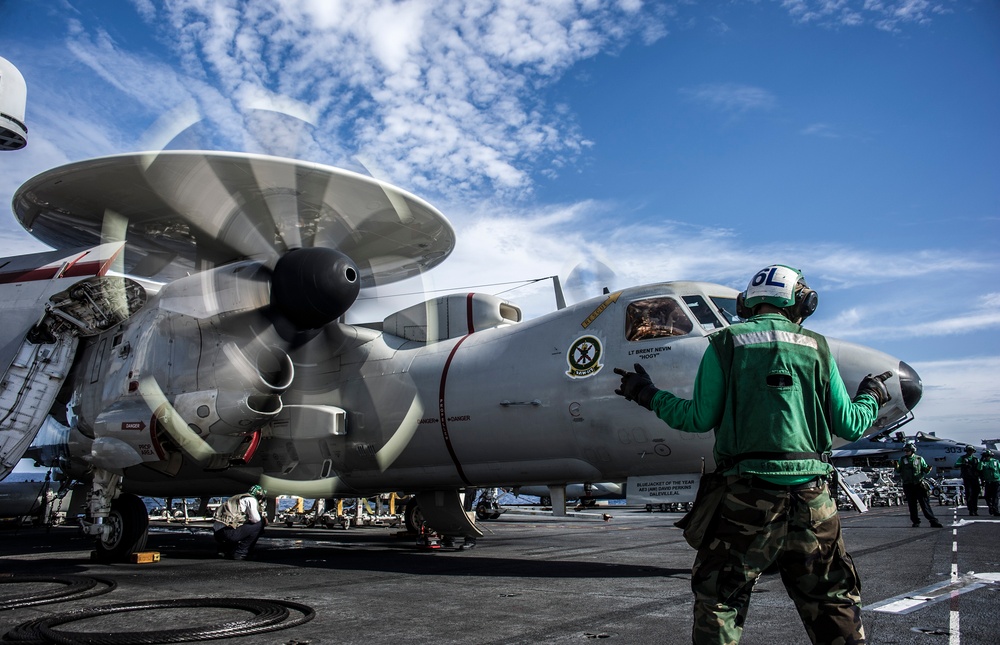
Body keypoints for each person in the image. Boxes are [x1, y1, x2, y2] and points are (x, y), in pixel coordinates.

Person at [615, 264, 890, 645]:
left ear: (746, 304)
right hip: (814, 499)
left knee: (721, 599)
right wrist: (871, 396)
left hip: (747, 498)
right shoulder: (819, 348)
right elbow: (851, 425)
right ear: (803, 302)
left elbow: (696, 418)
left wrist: (645, 393)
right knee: (832, 600)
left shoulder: (725, 344)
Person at [893, 442, 943, 528]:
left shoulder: (919, 459)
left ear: (912, 450)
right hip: (908, 484)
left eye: (908, 450)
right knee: (912, 505)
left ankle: (933, 521)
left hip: (919, 484)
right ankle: (915, 521)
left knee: (924, 504)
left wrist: (928, 469)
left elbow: (925, 470)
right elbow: (898, 471)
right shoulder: (902, 459)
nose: (906, 452)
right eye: (905, 450)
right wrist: (896, 466)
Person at [213, 484, 268, 560]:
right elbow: (256, 519)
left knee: (239, 525)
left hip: (217, 533)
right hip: (228, 533)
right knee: (259, 524)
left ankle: (224, 550)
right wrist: (264, 518)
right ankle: (240, 552)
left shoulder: (237, 497)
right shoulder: (251, 500)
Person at [954, 445, 981, 516]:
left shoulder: (976, 459)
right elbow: (956, 464)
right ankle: (971, 509)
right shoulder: (962, 458)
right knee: (969, 493)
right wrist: (963, 464)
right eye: (969, 450)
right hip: (967, 478)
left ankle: (975, 509)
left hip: (975, 478)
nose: (970, 452)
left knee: (976, 494)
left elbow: (980, 468)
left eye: (971, 450)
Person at [980, 450, 1000, 516]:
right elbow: (979, 468)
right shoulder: (983, 463)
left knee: (995, 497)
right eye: (985, 456)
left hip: (996, 481)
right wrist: (981, 460)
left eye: (988, 456)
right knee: (987, 496)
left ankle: (996, 510)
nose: (987, 457)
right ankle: (991, 507)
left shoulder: (996, 462)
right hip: (988, 481)